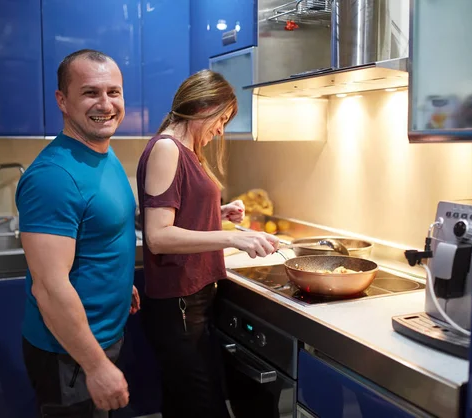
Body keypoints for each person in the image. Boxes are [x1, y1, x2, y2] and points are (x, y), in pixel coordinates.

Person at [136, 69, 280, 418]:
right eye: (222, 119)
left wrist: (216, 211)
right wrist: (234, 237)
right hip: (179, 305)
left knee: (184, 404)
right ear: (203, 107)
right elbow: (158, 236)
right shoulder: (168, 148)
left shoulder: (184, 149)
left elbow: (176, 211)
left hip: (191, 300)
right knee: (202, 407)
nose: (221, 129)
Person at [16, 49, 140, 417]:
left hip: (99, 334)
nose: (106, 104)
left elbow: (99, 233)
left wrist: (118, 283)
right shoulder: (53, 177)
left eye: (113, 92)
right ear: (62, 100)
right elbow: (50, 288)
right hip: (70, 354)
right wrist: (96, 367)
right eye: (90, 92)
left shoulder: (103, 152)